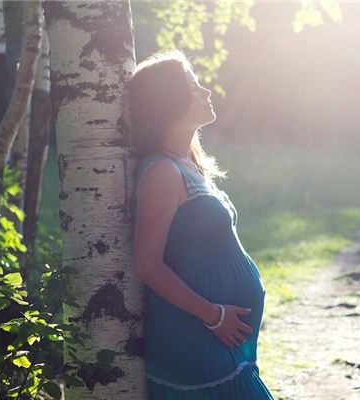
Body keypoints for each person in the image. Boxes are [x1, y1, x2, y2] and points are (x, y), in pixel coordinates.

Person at [124, 49, 274, 399]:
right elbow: (147, 264)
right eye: (193, 85)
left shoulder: (189, 165)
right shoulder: (162, 171)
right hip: (196, 338)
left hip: (219, 341)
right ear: (169, 101)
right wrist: (214, 315)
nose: (205, 91)